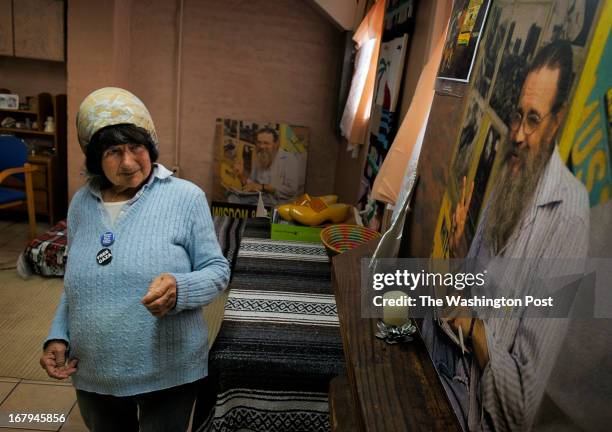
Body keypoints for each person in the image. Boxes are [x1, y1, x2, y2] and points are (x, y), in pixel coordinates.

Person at [39, 87, 230, 431]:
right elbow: (76, 283)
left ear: (151, 148)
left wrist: (179, 288)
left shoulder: (186, 198)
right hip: (94, 369)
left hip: (168, 370)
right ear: (96, 158)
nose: (128, 162)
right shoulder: (82, 203)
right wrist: (58, 335)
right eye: (113, 152)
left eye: (136, 148)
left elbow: (217, 272)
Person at [425, 40, 589, 431]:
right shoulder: (510, 177)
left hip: (472, 406)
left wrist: (473, 327)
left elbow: (521, 407)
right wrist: (455, 249)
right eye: (518, 116)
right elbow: (464, 295)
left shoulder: (569, 216)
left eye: (533, 119)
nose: (516, 134)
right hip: (448, 353)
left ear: (557, 121)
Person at [230, 127, 301, 206]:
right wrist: (241, 175)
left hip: (280, 205)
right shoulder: (260, 158)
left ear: (276, 144)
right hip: (260, 200)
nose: (261, 146)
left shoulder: (289, 158)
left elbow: (291, 190)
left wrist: (263, 187)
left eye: (266, 143)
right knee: (232, 197)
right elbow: (252, 184)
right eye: (259, 142)